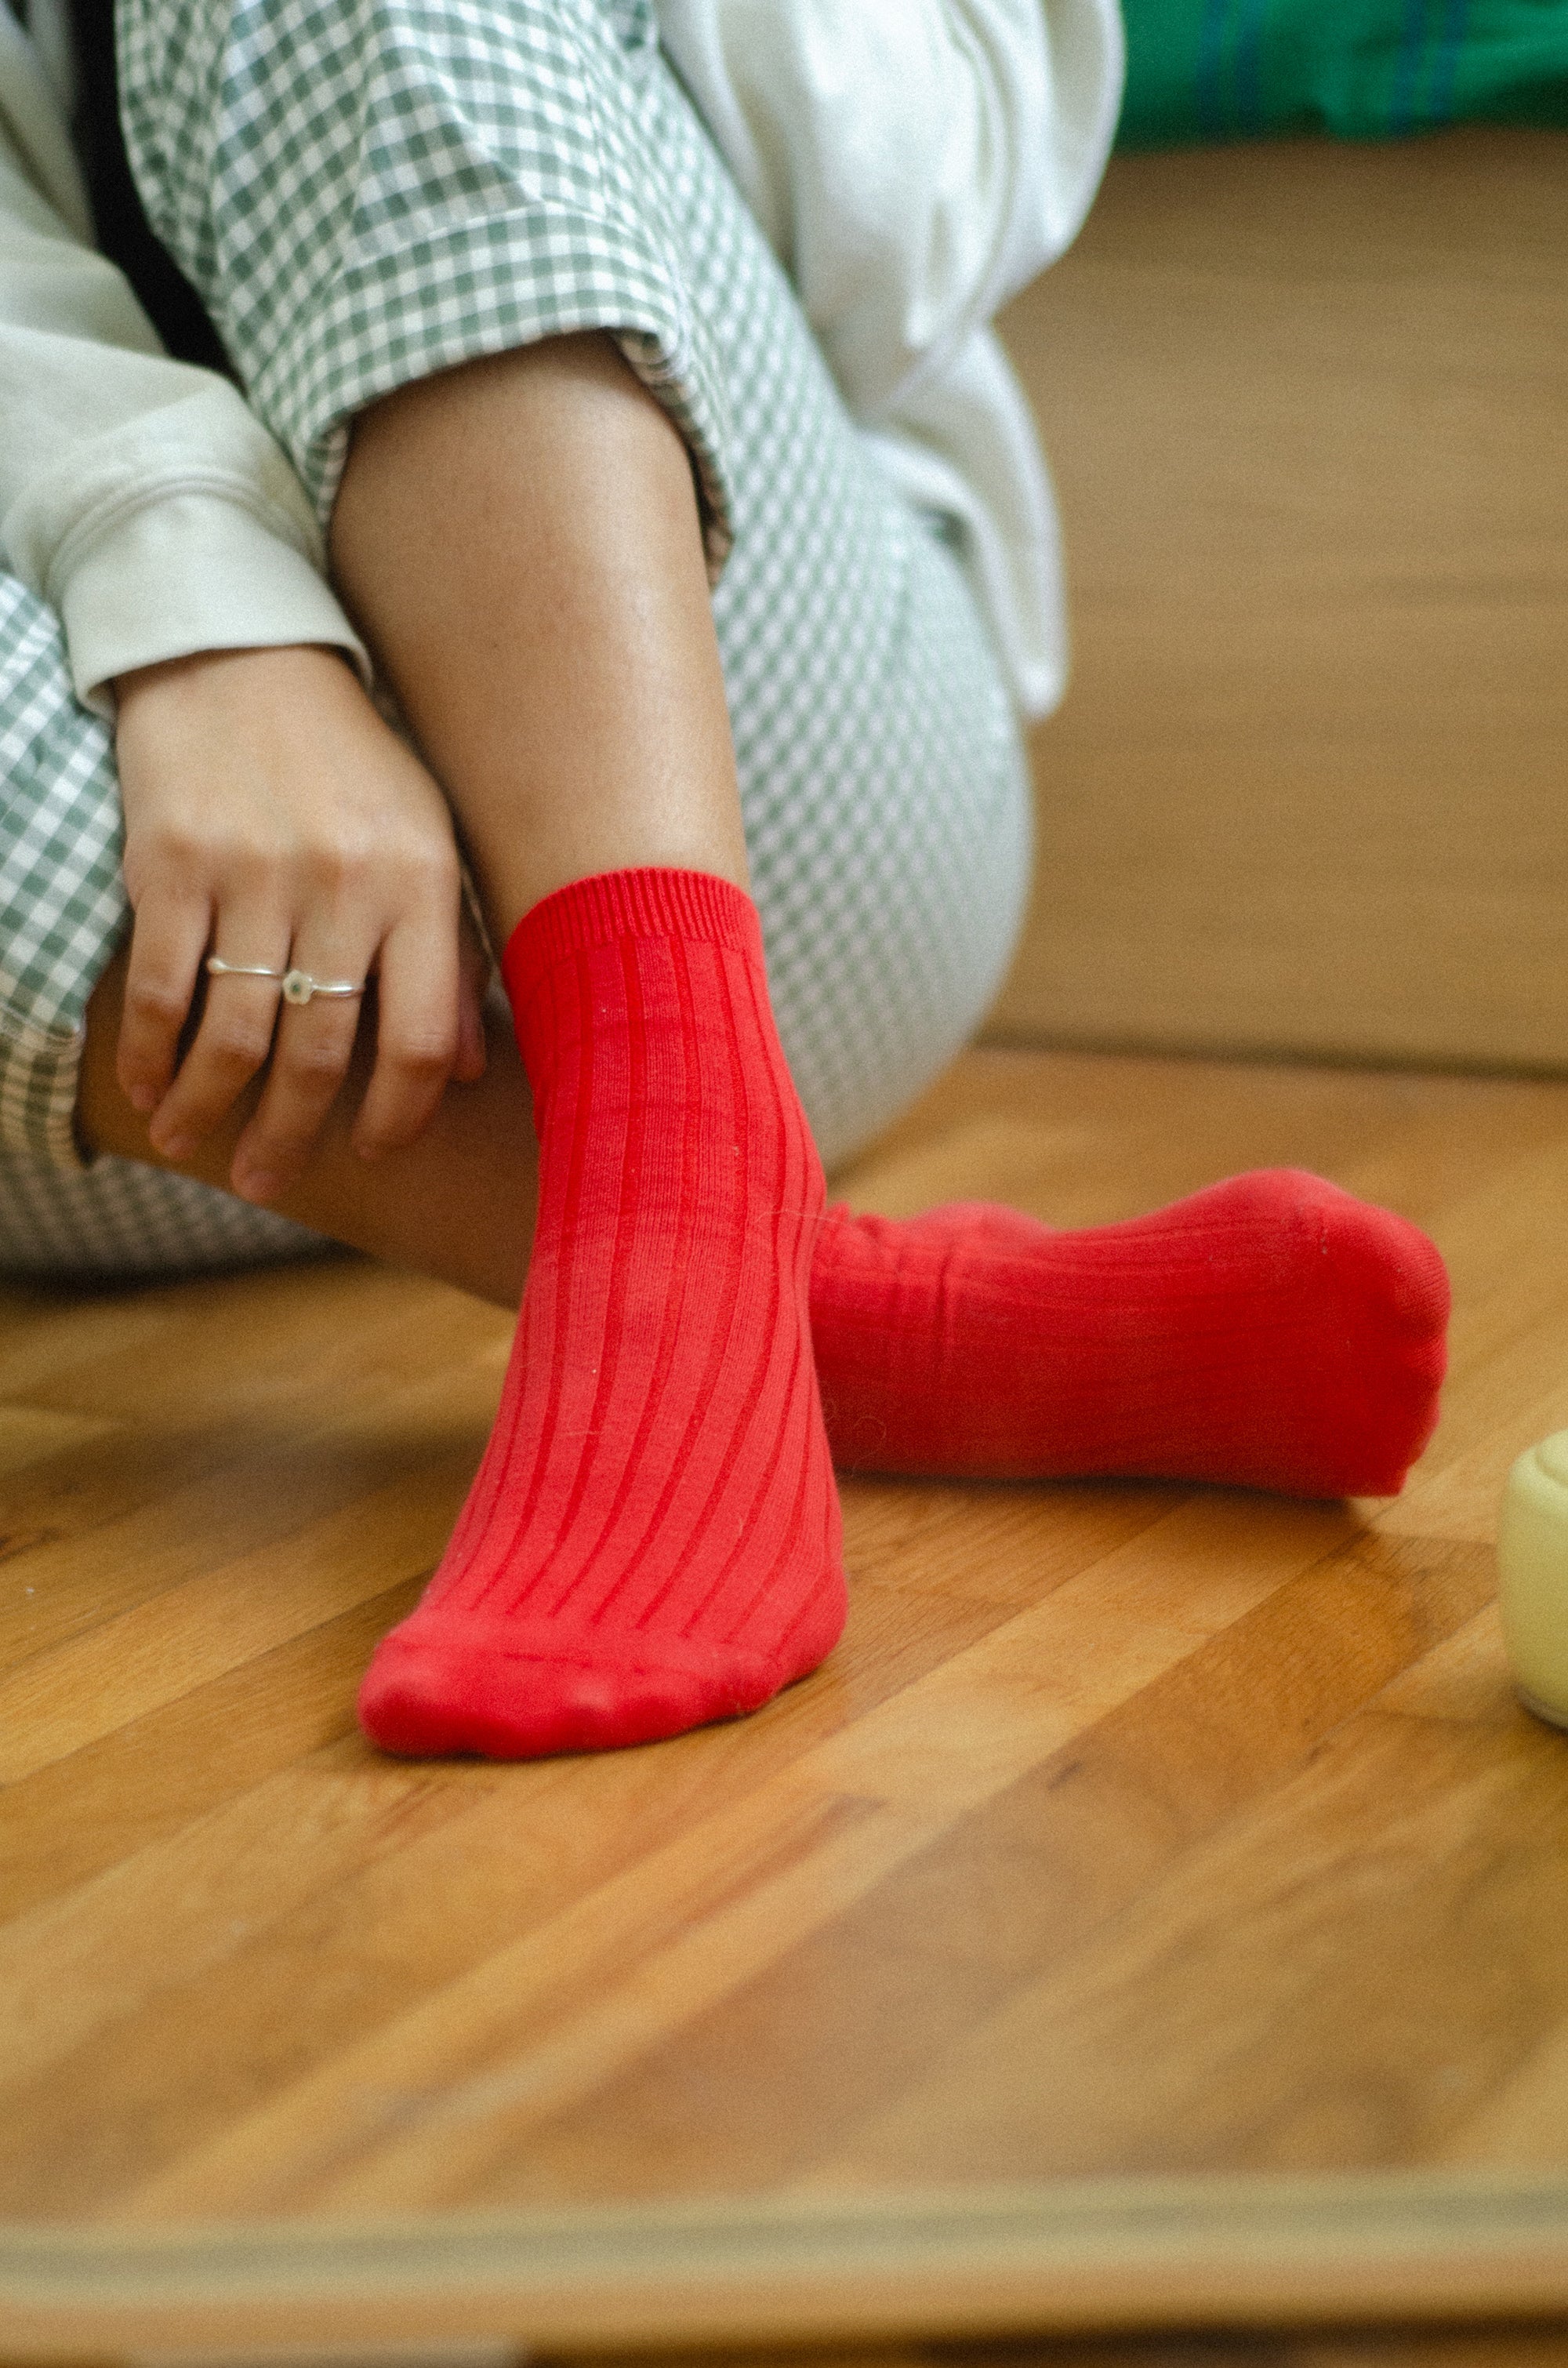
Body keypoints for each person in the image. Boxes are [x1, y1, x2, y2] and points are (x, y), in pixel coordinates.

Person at [0, 0, 1449, 1760]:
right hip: (119, 1014)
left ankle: (675, 1143)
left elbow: (936, 190)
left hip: (737, 772)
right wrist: (200, 602)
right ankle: (832, 1312)